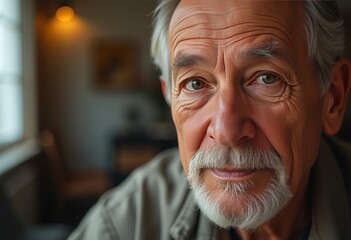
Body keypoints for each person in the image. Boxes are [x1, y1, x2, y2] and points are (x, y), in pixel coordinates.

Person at [68, 0, 351, 239]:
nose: (225, 130)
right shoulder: (127, 223)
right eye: (194, 83)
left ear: (333, 99)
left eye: (267, 78)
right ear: (170, 98)